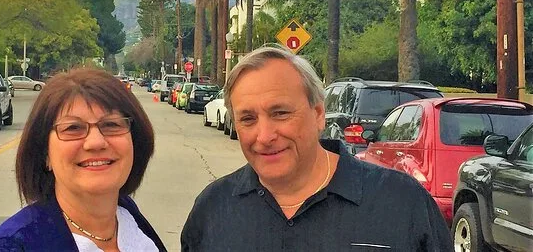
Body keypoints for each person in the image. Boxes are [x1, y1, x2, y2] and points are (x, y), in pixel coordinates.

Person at [181, 45, 452, 251]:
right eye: (248, 119)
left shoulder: (402, 204)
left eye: (280, 113)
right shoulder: (212, 210)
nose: (264, 136)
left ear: (318, 114)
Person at [0, 68, 165, 252]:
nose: (96, 142)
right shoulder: (11, 246)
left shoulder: (128, 217)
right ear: (45, 153)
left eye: (111, 124)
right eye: (73, 128)